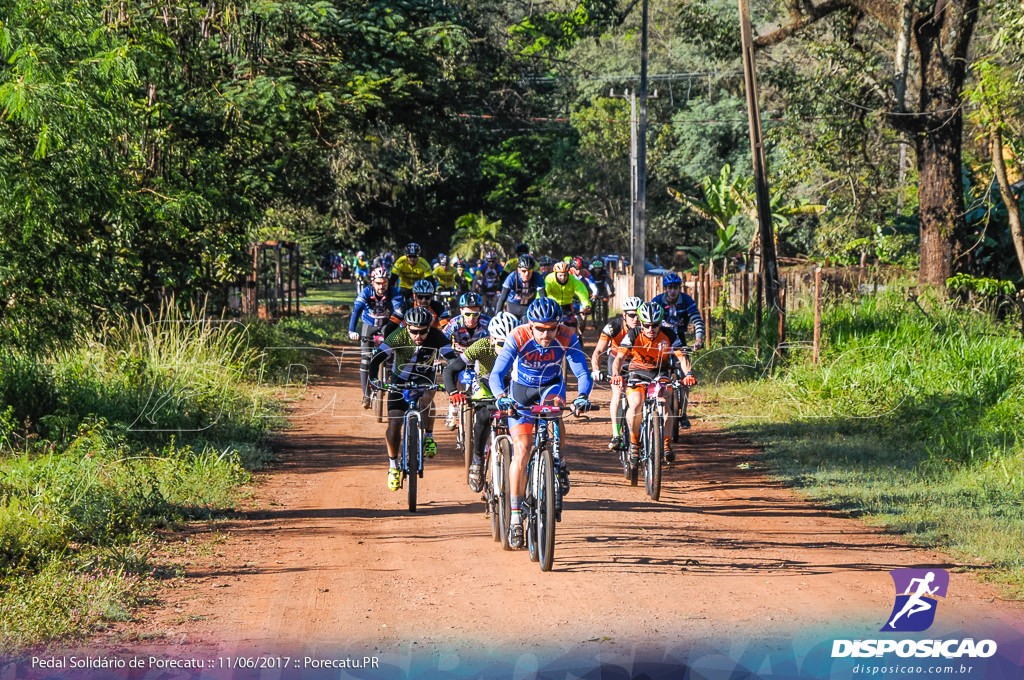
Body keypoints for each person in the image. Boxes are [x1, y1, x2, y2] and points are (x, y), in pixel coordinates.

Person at [488, 298, 592, 549]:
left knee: (556, 411)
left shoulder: (567, 335)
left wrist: (582, 397)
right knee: (521, 450)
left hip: (550, 386)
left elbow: (582, 373)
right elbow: (496, 374)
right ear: (530, 325)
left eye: (551, 328)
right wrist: (501, 398)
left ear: (559, 325)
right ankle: (514, 516)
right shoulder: (518, 335)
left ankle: (559, 462)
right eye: (540, 329)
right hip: (521, 390)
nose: (546, 334)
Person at [368, 307, 457, 490]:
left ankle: (429, 436)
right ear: (406, 327)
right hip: (400, 380)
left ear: (429, 328)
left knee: (426, 399)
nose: (418, 336)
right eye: (414, 331)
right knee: (394, 423)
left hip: (425, 378)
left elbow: (452, 358)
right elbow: (377, 358)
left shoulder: (437, 336)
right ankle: (393, 466)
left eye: (423, 332)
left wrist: (455, 376)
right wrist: (374, 378)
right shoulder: (397, 337)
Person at [610, 302, 695, 467]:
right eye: (646, 325)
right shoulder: (633, 335)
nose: (651, 329)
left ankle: (666, 444)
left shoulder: (669, 334)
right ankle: (634, 443)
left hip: (660, 373)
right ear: (641, 323)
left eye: (655, 325)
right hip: (637, 373)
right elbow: (619, 359)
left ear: (660, 323)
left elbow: (682, 357)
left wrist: (689, 374)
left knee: (665, 403)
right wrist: (617, 375)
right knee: (635, 404)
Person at [443, 311, 519, 492]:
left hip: (511, 388)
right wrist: (453, 392)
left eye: (511, 343)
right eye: (502, 344)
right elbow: (451, 369)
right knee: (484, 415)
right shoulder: (481, 346)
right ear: (491, 340)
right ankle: (477, 459)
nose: (507, 348)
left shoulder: (522, 347)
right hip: (485, 387)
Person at [650, 272, 705, 428]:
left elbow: (697, 320)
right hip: (661, 338)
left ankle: (684, 414)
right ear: (665, 289)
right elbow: (648, 322)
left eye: (675, 287)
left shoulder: (687, 301)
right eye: (669, 288)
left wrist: (699, 339)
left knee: (685, 377)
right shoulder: (657, 301)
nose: (672, 291)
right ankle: (652, 406)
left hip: (679, 338)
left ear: (679, 288)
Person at [590, 296, 643, 450]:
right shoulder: (613, 327)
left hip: (636, 363)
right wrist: (596, 369)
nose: (636, 319)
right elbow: (598, 351)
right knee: (618, 393)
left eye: (638, 315)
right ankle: (616, 435)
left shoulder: (646, 327)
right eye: (632, 315)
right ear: (624, 316)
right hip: (616, 362)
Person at [349, 267, 404, 408]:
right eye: (378, 283)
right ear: (372, 282)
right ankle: (366, 396)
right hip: (369, 325)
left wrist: (403, 328)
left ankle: (391, 377)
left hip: (387, 325)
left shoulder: (393, 292)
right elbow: (356, 311)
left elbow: (400, 311)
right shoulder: (366, 292)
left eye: (384, 283)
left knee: (392, 352)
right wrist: (351, 331)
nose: (381, 286)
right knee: (365, 360)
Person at [544, 260, 591, 334]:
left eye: (565, 275)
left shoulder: (572, 280)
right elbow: (544, 293)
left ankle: (574, 343)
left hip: (567, 306)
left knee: (573, 330)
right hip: (553, 306)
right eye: (560, 275)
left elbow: (582, 292)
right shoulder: (549, 279)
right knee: (550, 329)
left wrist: (587, 305)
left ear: (568, 274)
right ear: (555, 274)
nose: (563, 278)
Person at [495, 254, 546, 320]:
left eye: (530, 271)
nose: (527, 274)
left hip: (528, 308)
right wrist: (497, 316)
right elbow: (502, 298)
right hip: (513, 307)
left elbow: (544, 297)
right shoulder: (512, 277)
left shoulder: (537, 276)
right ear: (518, 270)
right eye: (524, 271)